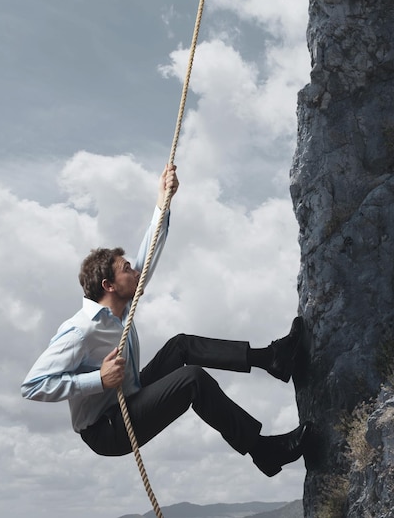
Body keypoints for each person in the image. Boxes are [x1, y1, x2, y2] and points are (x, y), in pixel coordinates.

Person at [21, 164, 309, 477]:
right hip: (107, 428)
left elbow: (150, 254)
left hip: (131, 394)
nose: (135, 271)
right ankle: (263, 451)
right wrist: (98, 381)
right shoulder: (80, 330)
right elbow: (33, 386)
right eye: (127, 269)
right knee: (192, 379)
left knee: (181, 346)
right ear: (109, 286)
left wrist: (163, 201)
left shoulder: (122, 307)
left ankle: (273, 359)